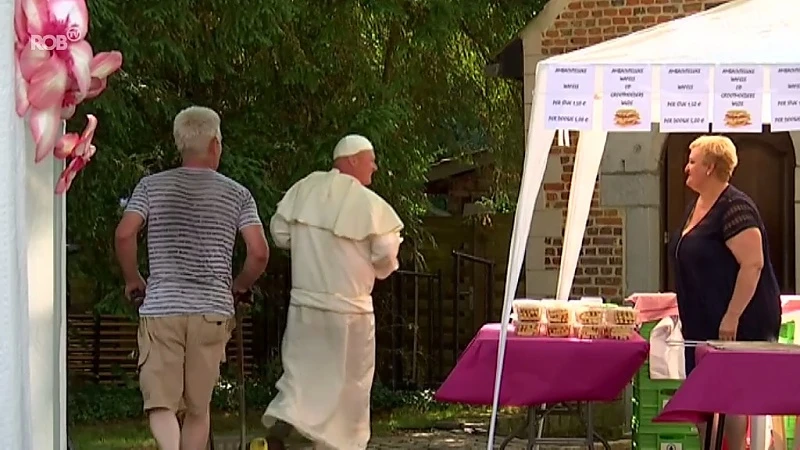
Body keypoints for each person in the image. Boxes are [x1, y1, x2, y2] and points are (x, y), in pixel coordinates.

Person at [114, 106, 270, 450]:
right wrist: (239, 286)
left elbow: (125, 235)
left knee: (160, 404)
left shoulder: (150, 186)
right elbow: (259, 252)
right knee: (199, 409)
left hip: (162, 309)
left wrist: (133, 279)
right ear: (215, 145)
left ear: (179, 143)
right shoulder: (237, 194)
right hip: (212, 311)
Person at [261, 134, 404, 450]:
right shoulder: (369, 205)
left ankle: (286, 419)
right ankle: (339, 445)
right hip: (350, 314)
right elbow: (384, 253)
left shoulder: (305, 190)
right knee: (350, 386)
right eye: (371, 159)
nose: (375, 167)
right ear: (352, 160)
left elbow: (281, 233)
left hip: (306, 308)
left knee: (302, 376)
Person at [668, 135, 781, 450]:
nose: (686, 167)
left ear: (711, 167)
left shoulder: (735, 206)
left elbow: (753, 264)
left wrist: (732, 316)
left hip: (734, 323)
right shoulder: (697, 206)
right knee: (702, 400)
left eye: (692, 161)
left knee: (729, 398)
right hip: (701, 321)